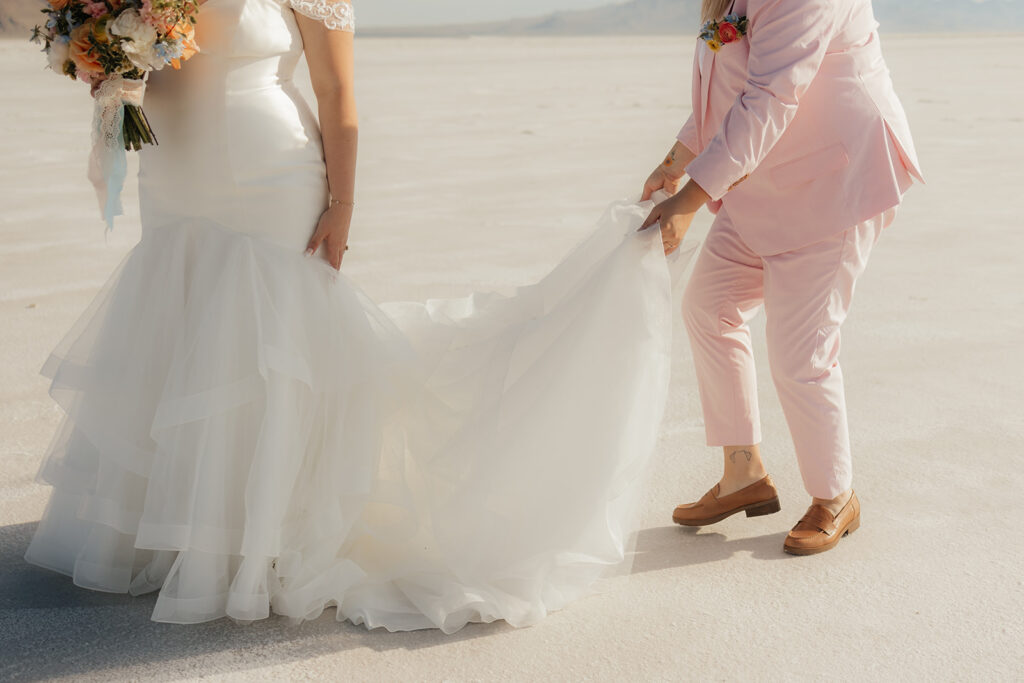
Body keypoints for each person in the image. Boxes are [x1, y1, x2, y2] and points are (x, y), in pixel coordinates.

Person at [24, 0, 687, 632]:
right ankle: (186, 528)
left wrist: (343, 203)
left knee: (268, 348)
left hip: (268, 173)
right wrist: (100, 57)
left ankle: (265, 538)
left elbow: (336, 91)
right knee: (183, 324)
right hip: (174, 168)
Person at [640, 0, 922, 554]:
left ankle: (835, 496)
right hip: (762, 182)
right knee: (709, 307)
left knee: (800, 355)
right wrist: (678, 160)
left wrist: (693, 198)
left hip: (834, 183)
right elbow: (726, 86)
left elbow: (770, 96)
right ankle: (744, 474)